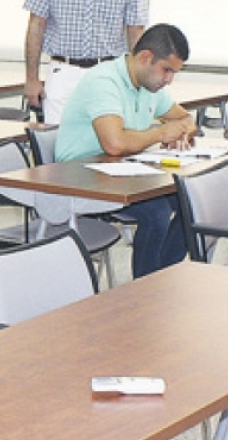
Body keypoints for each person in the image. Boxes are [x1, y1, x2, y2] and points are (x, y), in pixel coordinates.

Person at [55, 24, 197, 278]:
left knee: (190, 200)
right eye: (167, 70)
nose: (169, 80)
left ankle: (161, 278)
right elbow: (115, 143)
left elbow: (185, 118)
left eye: (174, 73)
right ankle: (145, 291)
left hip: (121, 173)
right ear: (145, 57)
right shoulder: (104, 80)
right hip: (80, 176)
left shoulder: (150, 86)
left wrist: (184, 129)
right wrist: (162, 133)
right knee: (157, 213)